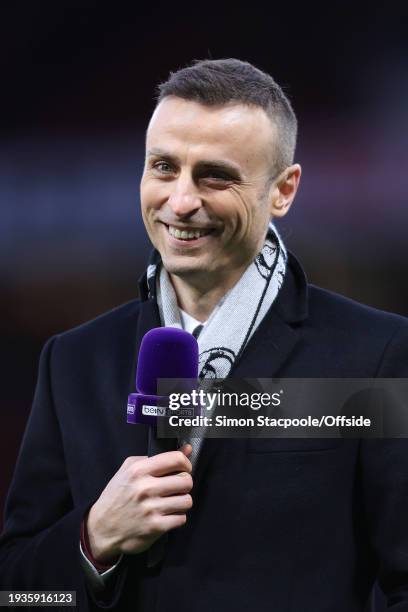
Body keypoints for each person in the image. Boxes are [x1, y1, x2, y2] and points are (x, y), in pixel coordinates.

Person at [0, 58, 407, 612]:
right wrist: (93, 540)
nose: (182, 200)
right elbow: (20, 594)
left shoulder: (375, 356)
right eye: (164, 167)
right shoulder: (73, 360)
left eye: (215, 175)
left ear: (283, 190)